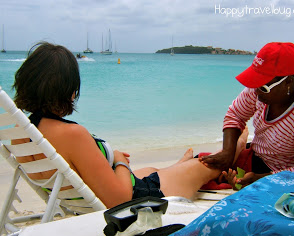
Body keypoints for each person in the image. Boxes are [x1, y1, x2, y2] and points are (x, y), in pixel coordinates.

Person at [12, 42, 224, 209]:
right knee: (207, 164)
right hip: (139, 201)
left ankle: (180, 166)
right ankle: (234, 151)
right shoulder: (71, 134)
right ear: (68, 89)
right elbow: (121, 201)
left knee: (152, 169)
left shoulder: (22, 134)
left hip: (94, 196)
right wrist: (121, 161)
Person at [200, 42, 294, 189]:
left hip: (280, 175)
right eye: (254, 82)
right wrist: (228, 152)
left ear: (288, 81)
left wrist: (261, 179)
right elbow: (236, 114)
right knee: (202, 164)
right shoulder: (264, 86)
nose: (255, 91)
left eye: (262, 86)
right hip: (254, 158)